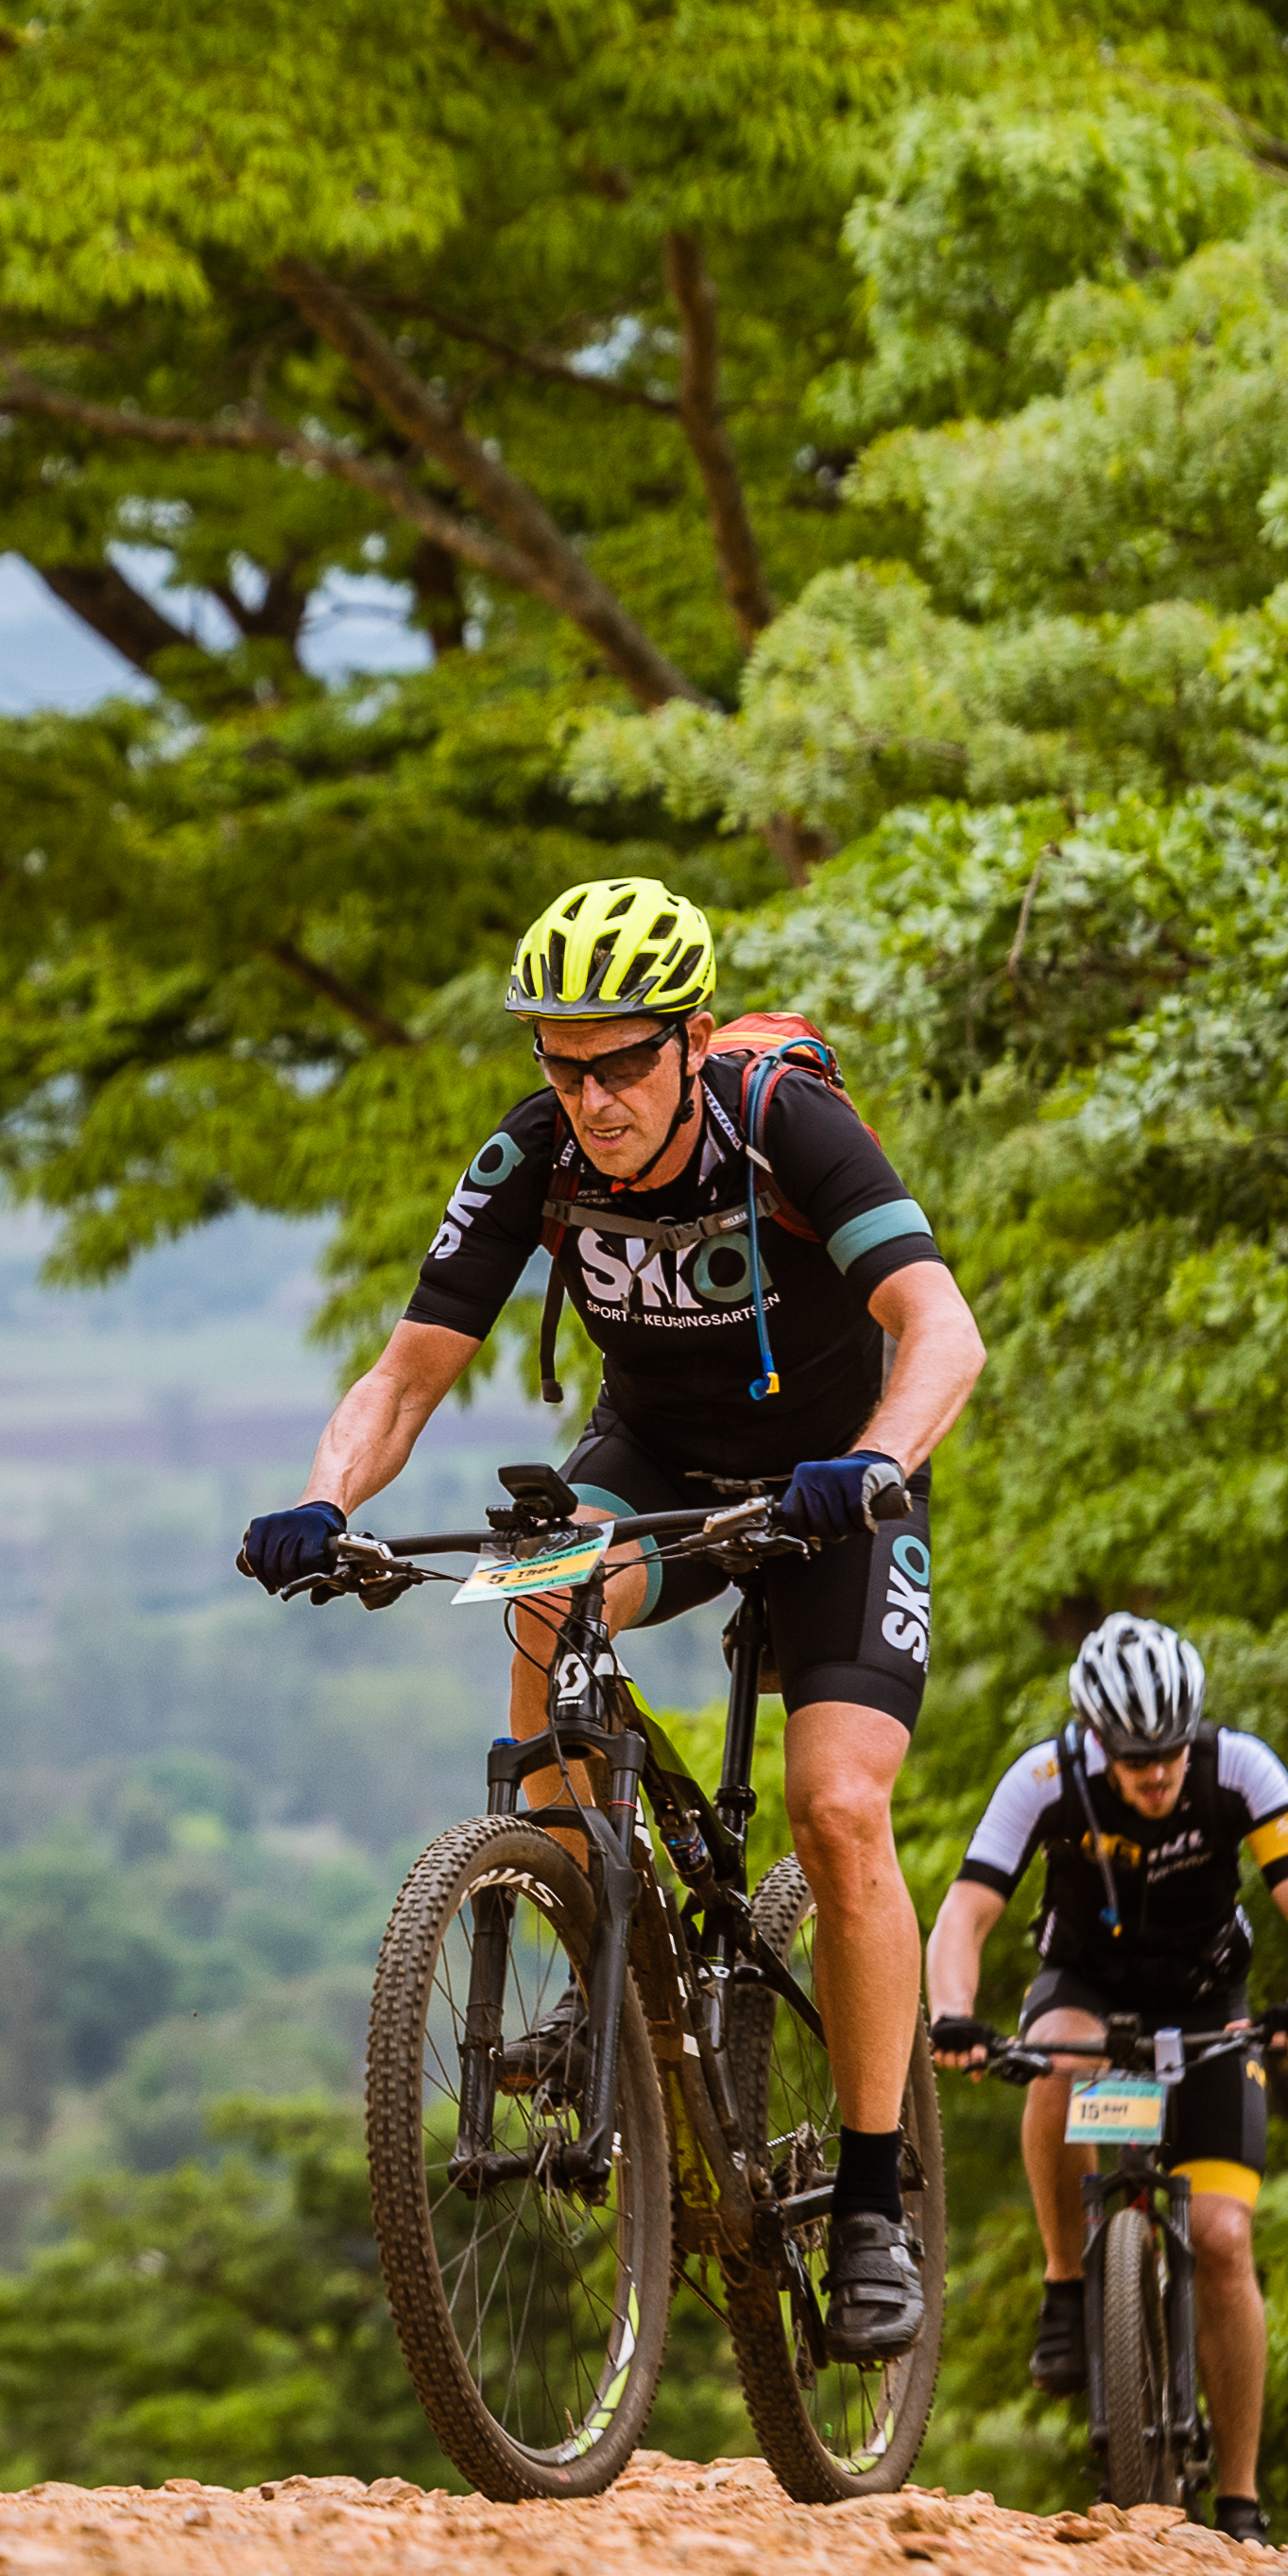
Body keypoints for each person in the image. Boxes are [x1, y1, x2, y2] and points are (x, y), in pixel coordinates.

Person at [232, 873, 984, 2360]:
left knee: (839, 1816)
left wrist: (875, 1466)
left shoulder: (784, 1124)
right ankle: (590, 1935)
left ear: (691, 1039)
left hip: (832, 1492)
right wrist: (323, 1502)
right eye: (559, 1064)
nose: (590, 1098)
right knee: (535, 1585)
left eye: (620, 1063)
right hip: (658, 1471)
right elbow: (402, 1379)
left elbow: (940, 1327)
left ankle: (876, 2199)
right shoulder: (532, 1153)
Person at [921, 1611, 1288, 2547]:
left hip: (1207, 2002)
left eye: (1168, 1753)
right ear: (1092, 1738)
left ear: (1191, 1730)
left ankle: (1237, 2495)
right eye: (1131, 1758)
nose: (1155, 1775)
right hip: (1087, 1986)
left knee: (1225, 2236)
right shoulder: (1042, 1778)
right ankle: (1067, 2281)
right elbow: (964, 1909)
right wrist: (951, 2013)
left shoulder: (1242, 1767)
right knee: (1056, 2067)